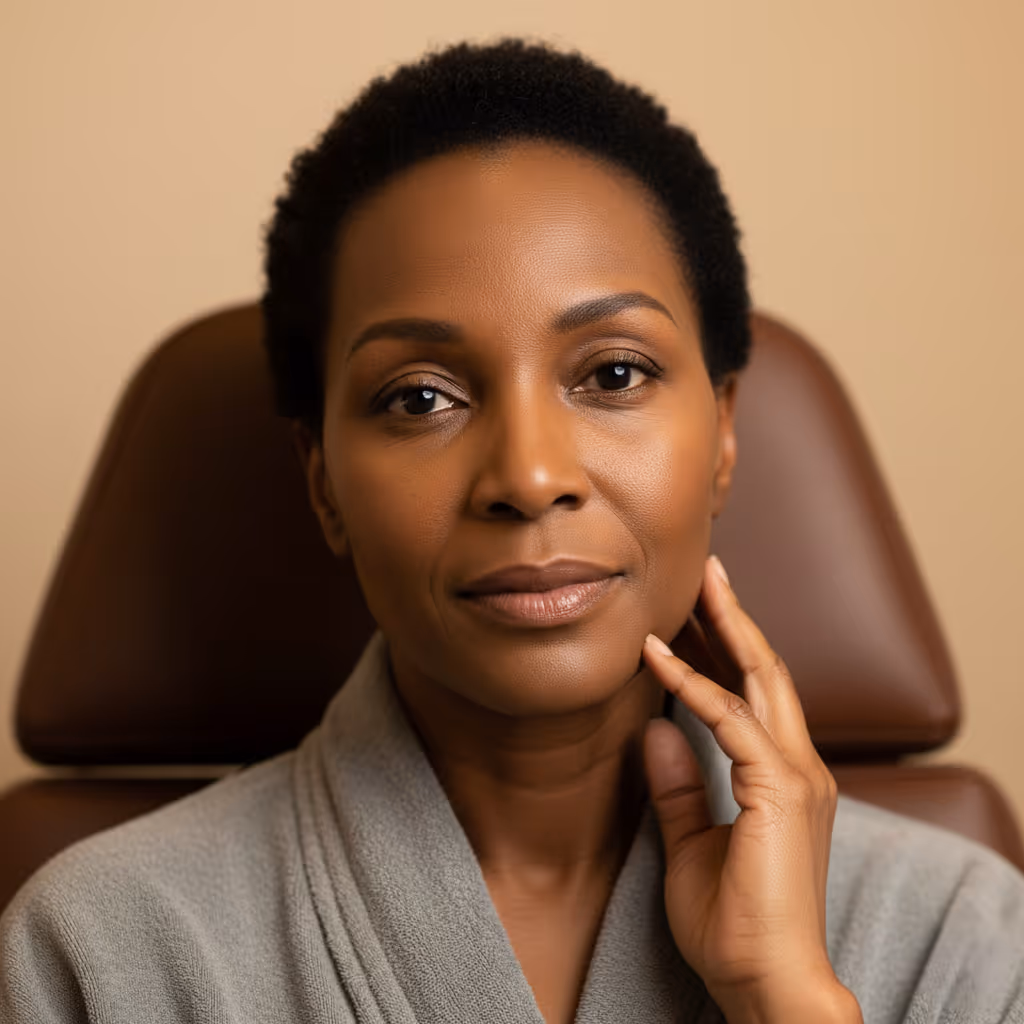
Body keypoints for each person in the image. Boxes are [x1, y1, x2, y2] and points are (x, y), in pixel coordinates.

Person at [2, 38, 1023, 1024]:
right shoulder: (101, 945)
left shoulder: (962, 935)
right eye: (418, 397)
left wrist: (789, 1003)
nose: (529, 477)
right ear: (322, 484)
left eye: (613, 373)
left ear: (720, 433)